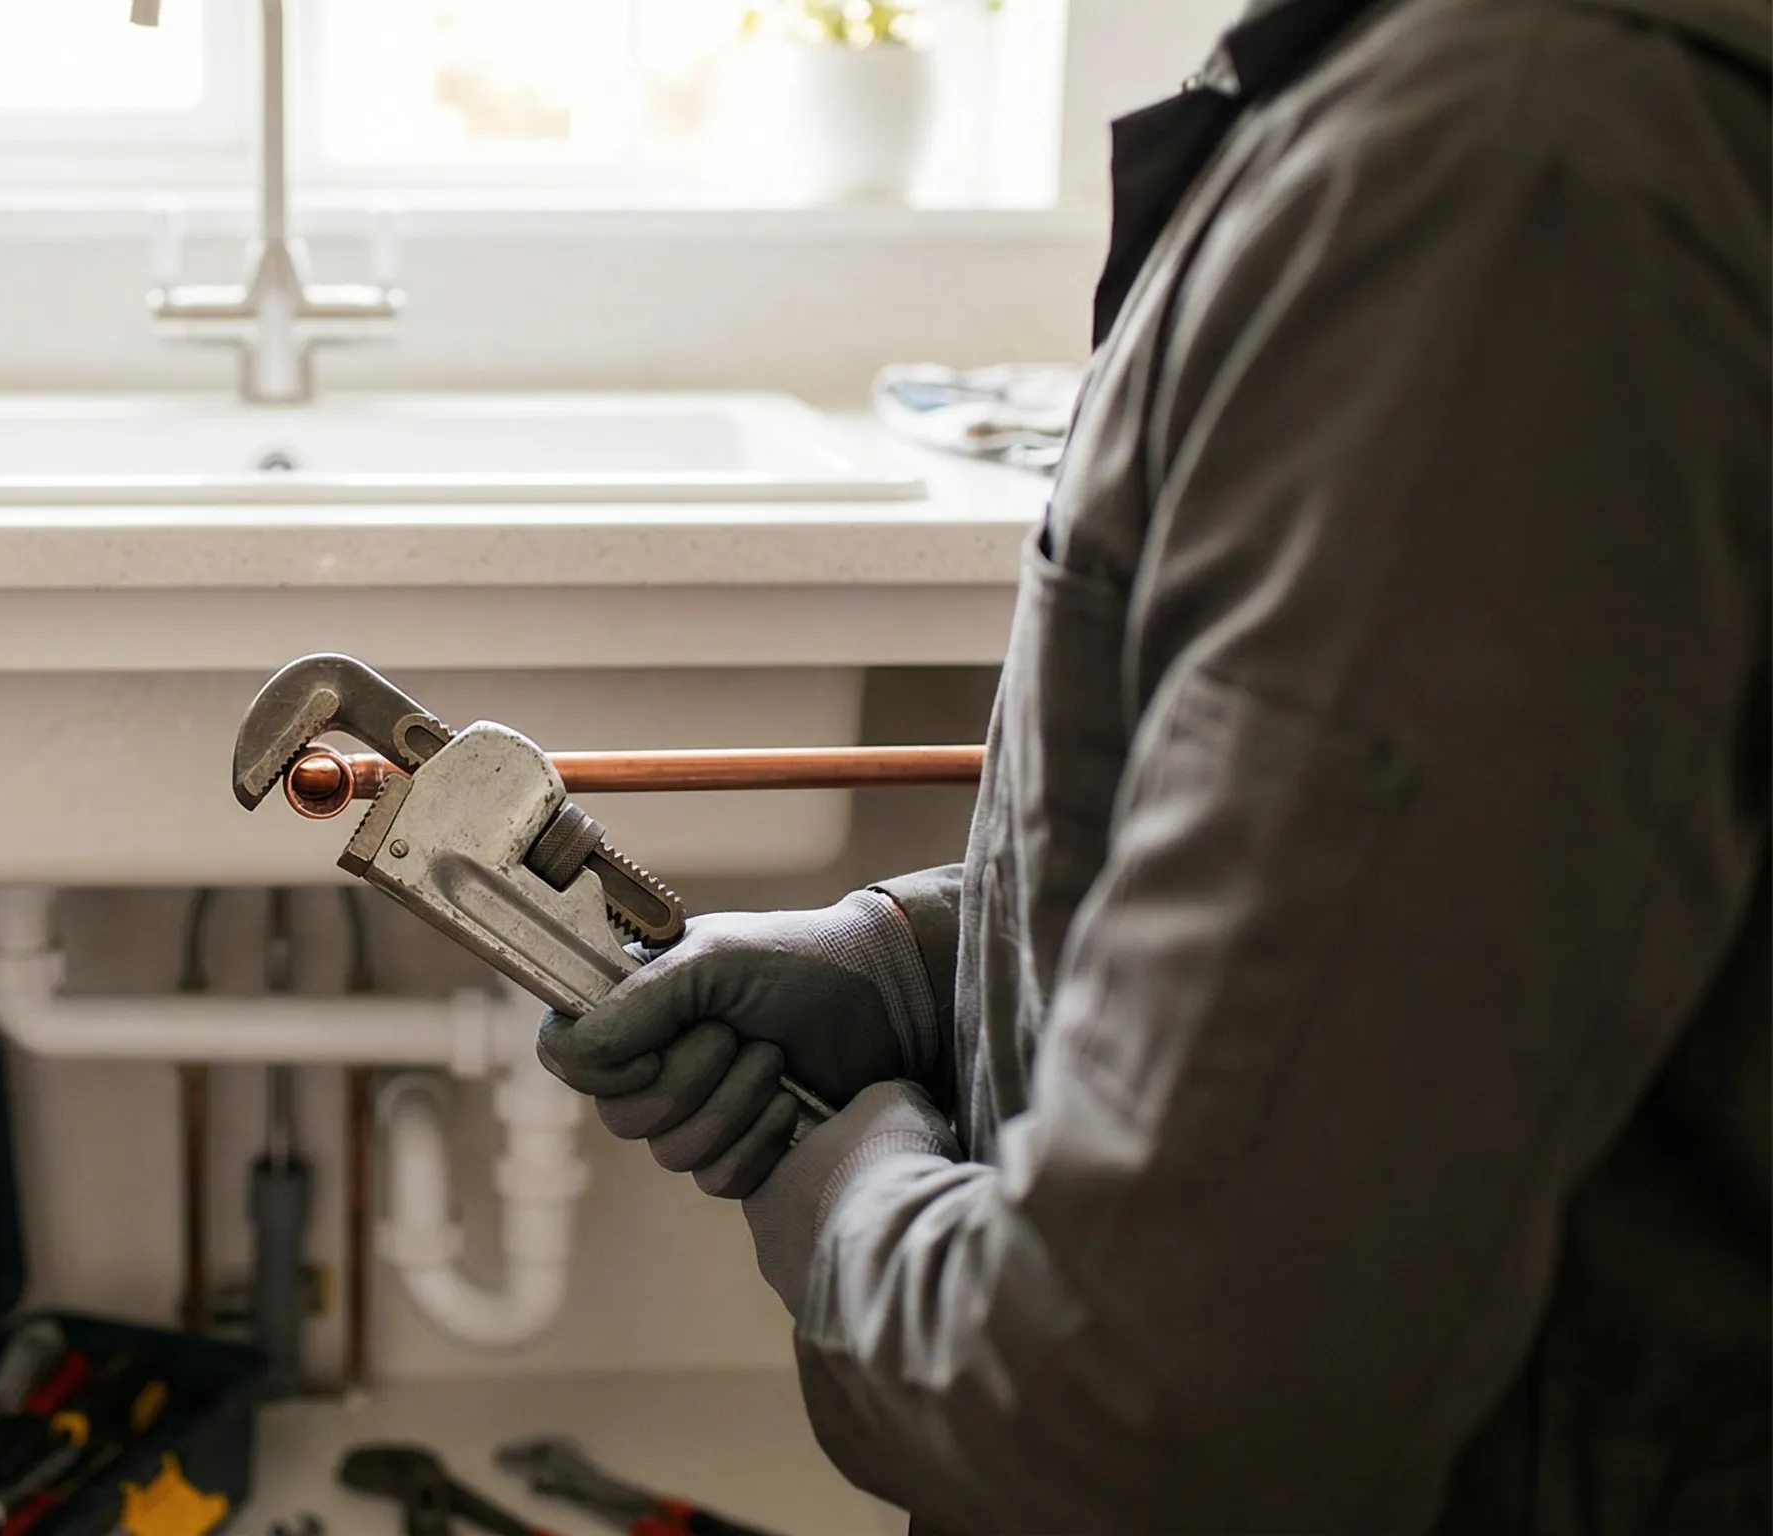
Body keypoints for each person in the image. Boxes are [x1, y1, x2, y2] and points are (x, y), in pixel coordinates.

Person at [535, 0, 1769, 1529]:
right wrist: (924, 965)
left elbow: (1141, 1403)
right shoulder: (1463, 131)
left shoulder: (1510, 194)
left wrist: (843, 1198)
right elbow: (1471, 885)